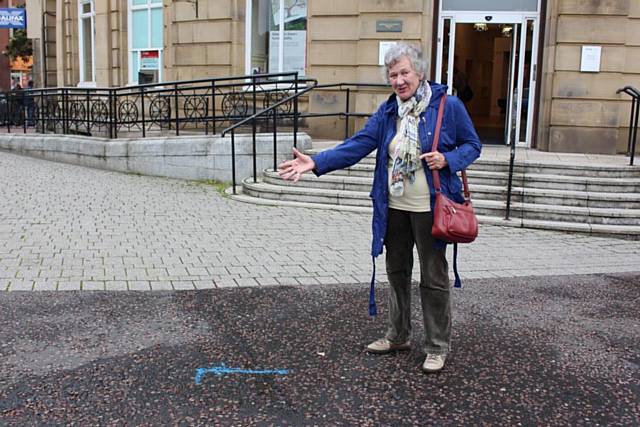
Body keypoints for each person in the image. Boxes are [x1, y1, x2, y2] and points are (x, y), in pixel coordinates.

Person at [277, 43, 481, 373]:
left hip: (431, 206)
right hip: (394, 207)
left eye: (404, 73)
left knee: (433, 276)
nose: (399, 80)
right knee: (396, 271)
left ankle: (436, 346)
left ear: (420, 73)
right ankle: (398, 334)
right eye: (393, 74)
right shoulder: (388, 112)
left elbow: (473, 145)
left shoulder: (448, 106)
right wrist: (315, 162)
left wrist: (448, 159)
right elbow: (358, 145)